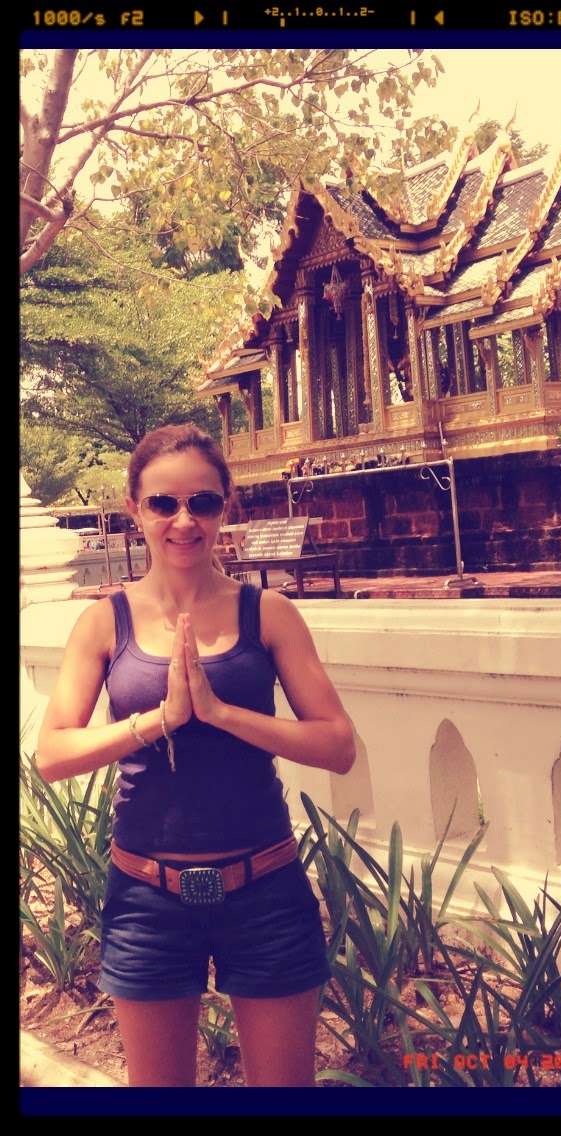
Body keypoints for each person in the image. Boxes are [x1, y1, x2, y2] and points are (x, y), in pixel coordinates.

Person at [36, 423, 356, 1088]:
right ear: (135, 509)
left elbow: (337, 745)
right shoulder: (104, 622)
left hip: (264, 887)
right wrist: (160, 721)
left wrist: (221, 714)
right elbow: (54, 754)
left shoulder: (268, 613)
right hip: (146, 894)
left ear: (225, 506)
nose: (184, 521)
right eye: (163, 503)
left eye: (202, 502)